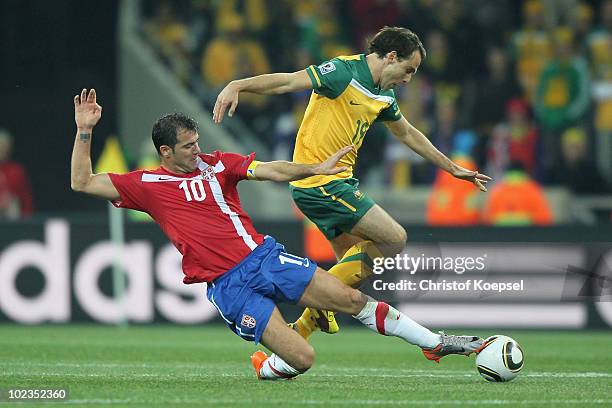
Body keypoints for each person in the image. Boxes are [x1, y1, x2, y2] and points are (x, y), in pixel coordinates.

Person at [71, 88, 483, 380]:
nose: (198, 150)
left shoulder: (218, 164)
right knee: (303, 359)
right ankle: (267, 367)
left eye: (197, 142)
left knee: (352, 298)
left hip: (265, 259)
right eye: (188, 147)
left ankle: (434, 341)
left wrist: (314, 169)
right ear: (166, 152)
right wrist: (84, 131)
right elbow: (82, 183)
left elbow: (270, 169)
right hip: (229, 286)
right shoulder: (145, 185)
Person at [213, 26, 491, 338]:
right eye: (408, 69)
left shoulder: (384, 95)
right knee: (394, 239)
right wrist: (239, 84)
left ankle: (293, 344)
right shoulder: (343, 72)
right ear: (390, 57)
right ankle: (315, 306)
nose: (408, 79)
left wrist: (452, 168)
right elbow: (290, 81)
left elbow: (408, 133)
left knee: (355, 265)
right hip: (320, 182)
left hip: (333, 183)